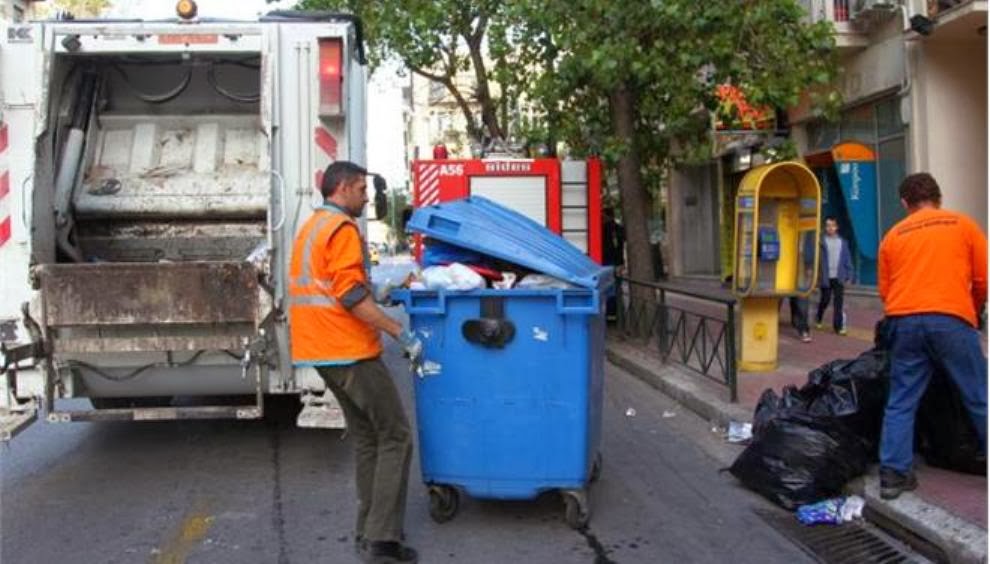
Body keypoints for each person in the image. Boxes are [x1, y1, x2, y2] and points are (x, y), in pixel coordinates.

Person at [289, 161, 422, 563]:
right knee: (396, 436)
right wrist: (399, 332)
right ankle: (383, 541)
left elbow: (334, 285)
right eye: (362, 189)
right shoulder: (343, 229)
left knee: (368, 438)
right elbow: (347, 295)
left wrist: (380, 289)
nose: (367, 197)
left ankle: (367, 531)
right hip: (349, 350)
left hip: (320, 350)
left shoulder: (312, 226)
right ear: (343, 187)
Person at [876, 172, 987, 500]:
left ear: (904, 203)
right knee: (979, 396)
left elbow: (886, 290)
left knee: (901, 399)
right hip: (951, 318)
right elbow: (983, 278)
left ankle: (893, 475)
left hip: (904, 321)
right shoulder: (963, 225)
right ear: (939, 197)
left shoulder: (893, 235)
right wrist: (973, 309)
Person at [815, 216, 854, 335]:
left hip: (839, 276)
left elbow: (847, 260)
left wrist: (850, 275)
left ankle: (838, 327)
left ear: (837, 227)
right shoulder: (821, 241)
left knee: (838, 303)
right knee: (825, 299)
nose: (830, 228)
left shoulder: (843, 242)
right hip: (826, 277)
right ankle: (819, 316)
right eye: (827, 225)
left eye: (832, 225)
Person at [602, 206, 625, 322]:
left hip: (606, 262)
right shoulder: (619, 229)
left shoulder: (604, 229)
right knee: (614, 288)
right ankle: (615, 314)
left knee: (608, 289)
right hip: (615, 263)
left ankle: (610, 314)